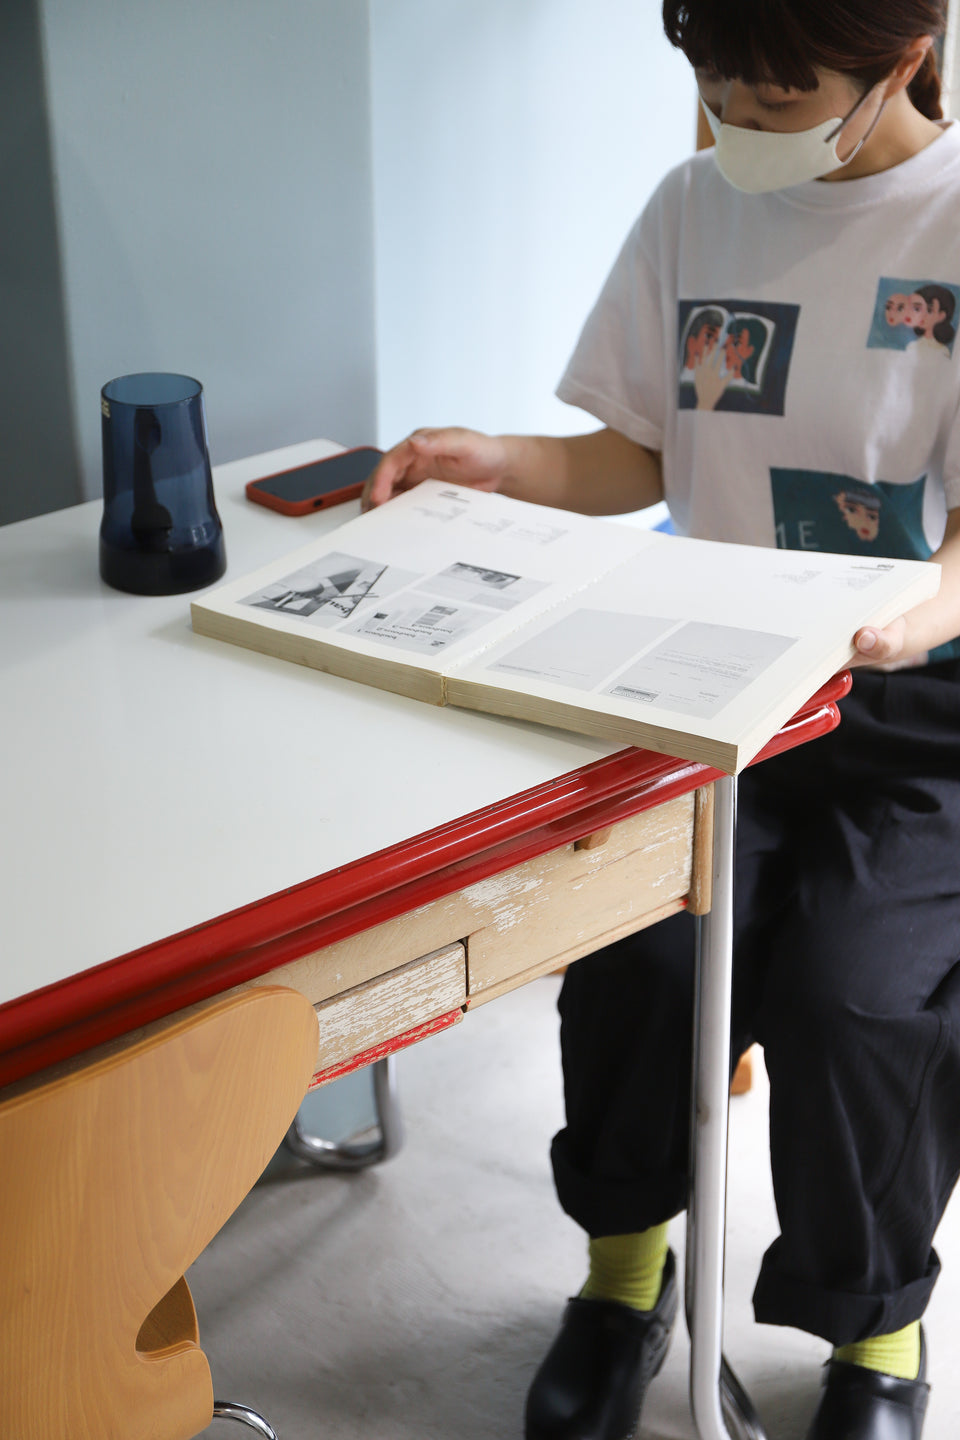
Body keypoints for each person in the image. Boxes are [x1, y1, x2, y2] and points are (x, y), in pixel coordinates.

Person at [364, 3, 960, 1437]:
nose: (739, 128)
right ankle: (624, 1283)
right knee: (638, 958)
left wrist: (907, 619)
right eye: (715, 89)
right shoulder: (695, 204)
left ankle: (876, 1336)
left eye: (779, 102)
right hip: (712, 686)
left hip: (916, 708)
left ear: (904, 58)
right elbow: (640, 453)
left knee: (859, 998)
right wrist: (497, 460)